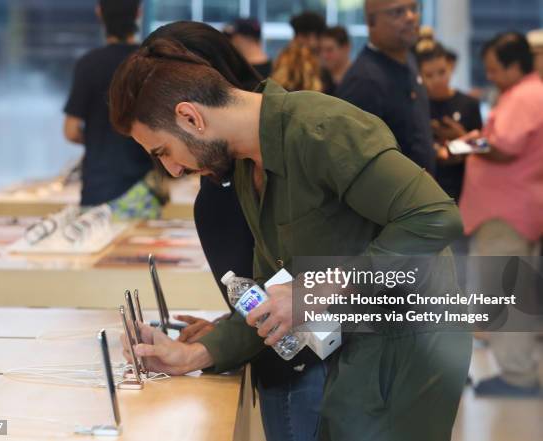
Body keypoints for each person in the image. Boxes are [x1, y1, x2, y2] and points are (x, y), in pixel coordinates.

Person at [109, 38, 472, 440]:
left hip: (404, 345)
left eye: (164, 151)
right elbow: (274, 299)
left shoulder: (322, 129)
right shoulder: (249, 167)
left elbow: (434, 216)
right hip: (347, 350)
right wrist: (191, 355)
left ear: (191, 117)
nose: (173, 170)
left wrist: (316, 291)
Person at [137, 22, 328, 441]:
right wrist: (228, 331)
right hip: (300, 357)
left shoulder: (274, 157)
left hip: (313, 365)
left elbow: (299, 288)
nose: (173, 166)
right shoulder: (236, 171)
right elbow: (270, 289)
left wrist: (216, 344)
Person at [460, 32, 543, 398]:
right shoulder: (523, 94)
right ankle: (517, 372)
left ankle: (517, 376)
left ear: (514, 65)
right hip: (511, 208)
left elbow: (502, 146)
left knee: (506, 295)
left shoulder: (525, 95)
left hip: (506, 212)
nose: (489, 76)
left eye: (494, 69)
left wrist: (464, 142)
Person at [63, 0, 157, 218]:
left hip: (97, 189)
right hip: (142, 192)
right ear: (139, 13)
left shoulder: (88, 64)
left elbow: (70, 131)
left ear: (99, 13)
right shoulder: (151, 62)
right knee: (141, 252)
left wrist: (98, 140)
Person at [335, 0, 436, 173]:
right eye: (397, 12)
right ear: (371, 22)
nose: (411, 17)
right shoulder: (364, 80)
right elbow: (356, 163)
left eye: (413, 8)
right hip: (394, 197)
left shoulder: (409, 61)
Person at [416, 42, 482, 204]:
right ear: (420, 76)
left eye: (442, 72)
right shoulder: (416, 106)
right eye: (429, 75)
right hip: (425, 187)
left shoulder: (468, 104)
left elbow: (482, 147)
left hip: (463, 189)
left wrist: (459, 138)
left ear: (450, 67)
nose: (437, 80)